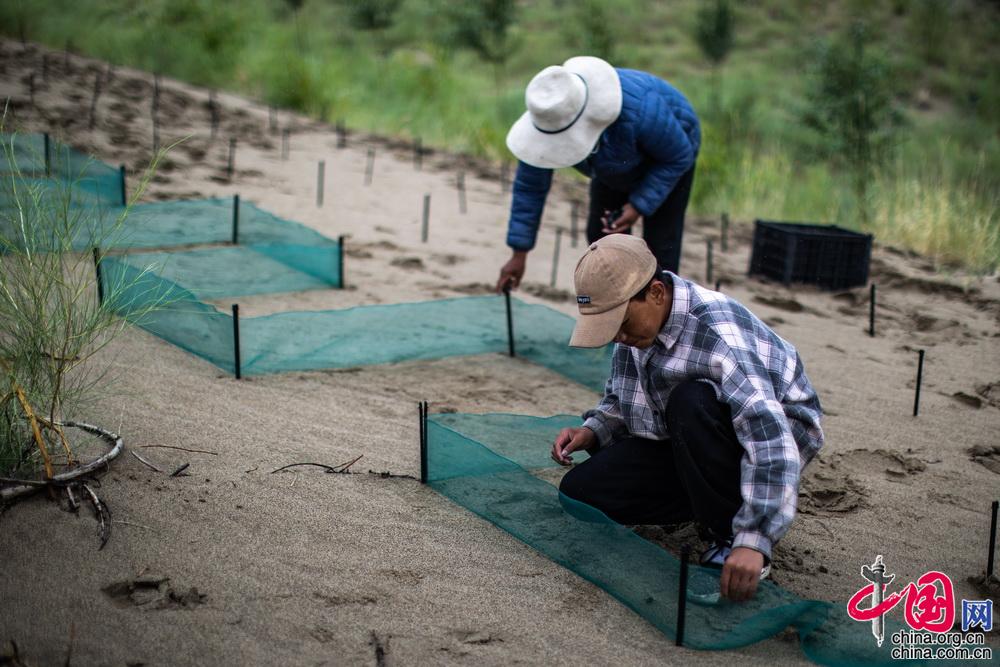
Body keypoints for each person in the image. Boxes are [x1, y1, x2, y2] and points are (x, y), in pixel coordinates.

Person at [553, 234, 824, 602]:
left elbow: (771, 439)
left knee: (691, 400)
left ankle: (728, 535)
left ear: (656, 293)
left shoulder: (718, 336)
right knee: (581, 494)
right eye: (609, 326)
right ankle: (705, 499)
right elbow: (623, 397)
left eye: (622, 322)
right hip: (688, 436)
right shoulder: (635, 332)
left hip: (770, 437)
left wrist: (754, 540)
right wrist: (594, 430)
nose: (619, 336)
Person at [495, 56, 700, 293]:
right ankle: (619, 305)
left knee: (661, 248)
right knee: (602, 238)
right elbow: (529, 187)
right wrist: (519, 253)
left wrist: (638, 205)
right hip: (613, 163)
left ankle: (659, 310)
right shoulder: (549, 115)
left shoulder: (639, 110)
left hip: (670, 156)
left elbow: (678, 156)